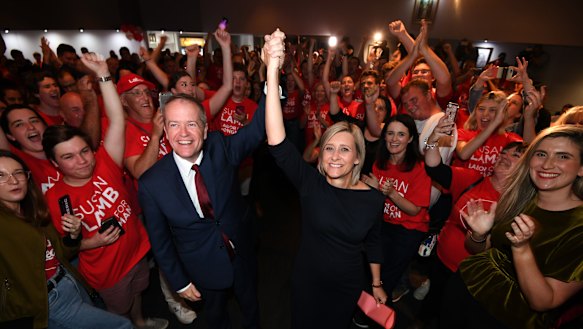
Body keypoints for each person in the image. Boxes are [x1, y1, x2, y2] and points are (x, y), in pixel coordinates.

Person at [264, 28, 387, 329]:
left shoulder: (372, 198)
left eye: (344, 149)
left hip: (346, 286)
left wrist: (376, 283)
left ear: (358, 157)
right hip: (307, 280)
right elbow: (278, 144)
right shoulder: (311, 185)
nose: (333, 155)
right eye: (328, 147)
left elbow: (374, 242)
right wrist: (271, 71)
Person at [42, 53, 164, 329]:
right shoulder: (55, 197)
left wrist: (103, 75)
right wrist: (91, 242)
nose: (82, 160)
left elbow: (118, 120)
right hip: (109, 272)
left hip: (136, 250)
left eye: (84, 150)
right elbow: (61, 248)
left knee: (138, 294)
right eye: (69, 157)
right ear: (54, 163)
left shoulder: (104, 164)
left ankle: (141, 322)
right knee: (116, 314)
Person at [137, 95, 265, 327]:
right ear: (165, 131)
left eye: (192, 124)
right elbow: (160, 242)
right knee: (215, 315)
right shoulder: (152, 183)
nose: (183, 133)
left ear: (205, 130)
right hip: (202, 265)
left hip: (242, 251)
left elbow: (257, 128)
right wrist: (179, 282)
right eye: (174, 124)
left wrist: (272, 73)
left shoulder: (221, 147)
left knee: (251, 303)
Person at [441, 125, 583, 329]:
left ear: (581, 168)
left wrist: (522, 249)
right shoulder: (520, 198)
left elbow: (543, 302)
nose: (547, 164)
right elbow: (480, 250)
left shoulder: (578, 225)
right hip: (465, 290)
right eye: (541, 154)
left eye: (563, 156)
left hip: (505, 318)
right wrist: (479, 235)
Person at [0, 150, 132, 329]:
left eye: (18, 173)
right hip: (48, 301)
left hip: (69, 282)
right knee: (122, 325)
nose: (14, 181)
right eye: (1, 176)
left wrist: (73, 235)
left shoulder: (33, 211)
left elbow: (62, 253)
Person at [366, 114, 432, 297]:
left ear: (410, 138)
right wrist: (371, 189)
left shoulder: (419, 168)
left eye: (401, 134)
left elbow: (414, 210)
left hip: (410, 228)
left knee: (388, 274)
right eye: (390, 133)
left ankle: (375, 312)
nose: (395, 139)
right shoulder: (380, 164)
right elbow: (376, 201)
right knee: (375, 264)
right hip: (386, 222)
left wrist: (391, 193)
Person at [454, 91, 523, 176]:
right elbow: (463, 154)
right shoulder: (463, 133)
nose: (485, 114)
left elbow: (530, 153)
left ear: (501, 115)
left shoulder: (509, 139)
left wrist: (530, 115)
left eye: (492, 110)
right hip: (460, 187)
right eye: (481, 109)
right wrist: (494, 123)